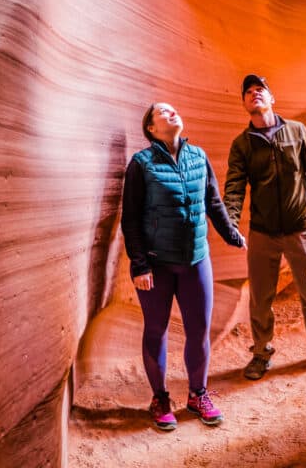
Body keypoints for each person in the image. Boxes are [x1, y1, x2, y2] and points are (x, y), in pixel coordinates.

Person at [121, 102, 246, 431]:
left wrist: (231, 235)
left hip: (196, 260)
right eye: (162, 112)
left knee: (199, 330)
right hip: (157, 264)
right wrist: (140, 265)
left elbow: (213, 202)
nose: (171, 112)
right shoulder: (141, 164)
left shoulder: (198, 157)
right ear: (151, 128)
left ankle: (197, 394)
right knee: (156, 330)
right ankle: (160, 398)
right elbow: (130, 219)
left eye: (173, 109)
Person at [223, 74, 306, 380]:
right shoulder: (242, 144)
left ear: (271, 98)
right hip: (263, 233)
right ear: (244, 103)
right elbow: (234, 186)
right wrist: (230, 222)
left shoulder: (297, 132)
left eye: (260, 90)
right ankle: (261, 354)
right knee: (261, 298)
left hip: (300, 227)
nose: (254, 94)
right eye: (248, 92)